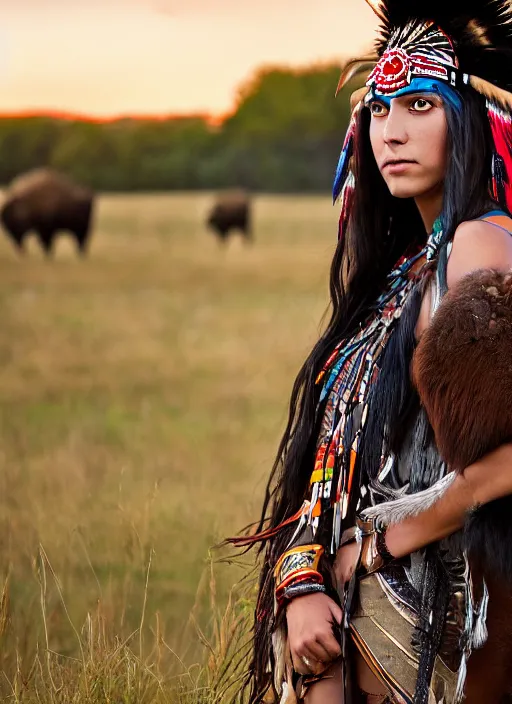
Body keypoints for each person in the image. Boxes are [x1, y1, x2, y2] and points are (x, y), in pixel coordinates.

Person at [230, 1, 512, 702]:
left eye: (420, 104)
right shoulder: (409, 264)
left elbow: (505, 461)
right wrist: (303, 579)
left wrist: (379, 548)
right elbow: (336, 461)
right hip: (352, 608)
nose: (393, 132)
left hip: (439, 623)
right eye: (380, 109)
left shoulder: (478, 246)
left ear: (474, 119)